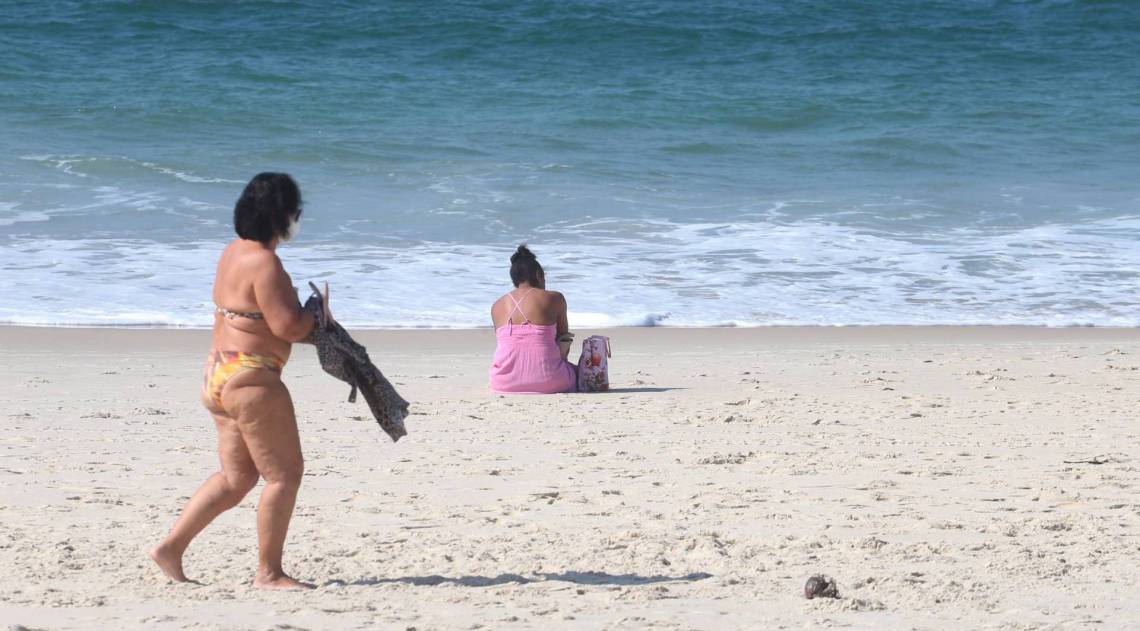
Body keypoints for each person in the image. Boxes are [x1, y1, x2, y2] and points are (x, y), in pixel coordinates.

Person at [150, 173, 317, 590]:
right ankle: (269, 572)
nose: (298, 219)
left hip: (219, 373)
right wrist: (317, 313)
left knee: (236, 478)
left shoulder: (232, 253)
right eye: (296, 212)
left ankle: (171, 547)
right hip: (252, 378)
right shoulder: (266, 262)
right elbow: (288, 327)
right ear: (283, 216)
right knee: (284, 476)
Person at [489, 245, 577, 394]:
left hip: (502, 382)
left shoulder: (496, 306)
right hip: (550, 380)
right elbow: (564, 342)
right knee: (578, 371)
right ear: (538, 275)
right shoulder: (555, 298)